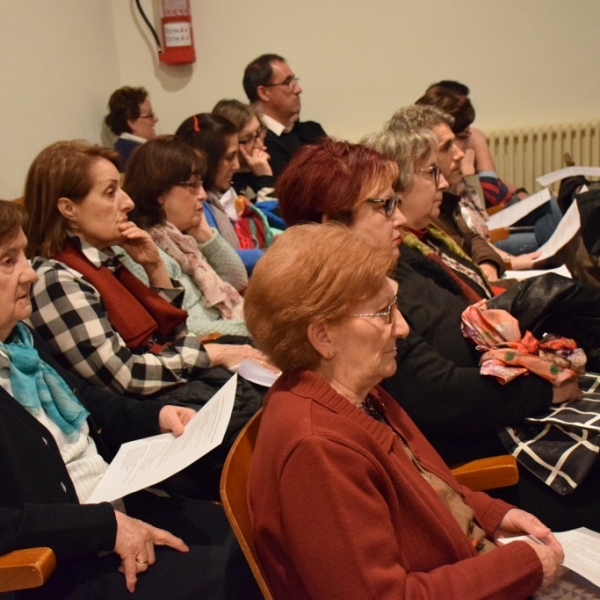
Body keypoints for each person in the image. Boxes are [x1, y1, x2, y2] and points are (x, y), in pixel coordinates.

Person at [276, 137, 600, 530]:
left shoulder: (391, 267)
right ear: (331, 226)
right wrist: (544, 388)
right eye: (385, 206)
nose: (398, 219)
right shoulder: (354, 312)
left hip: (501, 421)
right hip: (485, 454)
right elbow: (442, 400)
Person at [243, 222, 562, 599]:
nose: (402, 327)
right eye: (382, 313)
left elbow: (429, 487)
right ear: (323, 336)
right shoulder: (319, 449)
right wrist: (522, 566)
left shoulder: (358, 391)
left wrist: (492, 515)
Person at [0, 200, 259, 600]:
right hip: (62, 557)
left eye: (23, 255)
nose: (29, 272)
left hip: (113, 507)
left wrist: (156, 416)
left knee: (253, 530)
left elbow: (85, 399)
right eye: (7, 261)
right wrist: (105, 527)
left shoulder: (20, 339)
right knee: (235, 569)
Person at [23, 141, 265, 497]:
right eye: (110, 193)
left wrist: (157, 272)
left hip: (174, 396)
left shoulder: (108, 260)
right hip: (146, 424)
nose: (128, 202)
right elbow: (127, 376)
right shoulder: (56, 278)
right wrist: (210, 355)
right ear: (68, 208)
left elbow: (175, 340)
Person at [123, 135, 249, 338]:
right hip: (211, 349)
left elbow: (236, 279)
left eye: (201, 184)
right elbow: (186, 327)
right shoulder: (140, 251)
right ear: (159, 191)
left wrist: (205, 235)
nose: (203, 195)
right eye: (192, 185)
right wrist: (254, 328)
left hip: (231, 334)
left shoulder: (179, 240)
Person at [414, 89, 562, 257]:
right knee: (552, 242)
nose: (466, 147)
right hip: (484, 238)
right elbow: (469, 232)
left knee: (552, 207)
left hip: (485, 228)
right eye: (463, 137)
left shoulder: (451, 166)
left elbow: (479, 210)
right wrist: (469, 174)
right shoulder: (433, 179)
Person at [176, 113, 275, 274]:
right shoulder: (198, 205)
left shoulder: (221, 193)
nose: (236, 165)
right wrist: (274, 253)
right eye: (230, 157)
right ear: (207, 160)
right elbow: (223, 257)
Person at [242, 53, 326, 179]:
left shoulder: (312, 130)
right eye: (287, 82)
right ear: (264, 93)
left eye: (294, 81)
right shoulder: (262, 146)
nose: (298, 89)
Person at [212, 98, 275, 201]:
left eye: (259, 132)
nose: (259, 145)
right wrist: (265, 179)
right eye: (248, 139)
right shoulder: (225, 183)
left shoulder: (259, 166)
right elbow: (268, 216)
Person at [104, 86, 159, 171]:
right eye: (150, 115)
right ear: (131, 122)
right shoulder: (140, 155)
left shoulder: (123, 148)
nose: (156, 119)